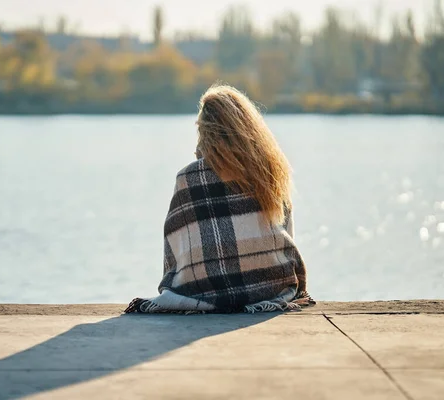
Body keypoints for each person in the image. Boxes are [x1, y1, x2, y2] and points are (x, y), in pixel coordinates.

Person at [126, 84, 314, 314]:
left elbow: (174, 252)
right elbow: (286, 232)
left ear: (204, 130)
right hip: (271, 289)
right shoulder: (270, 170)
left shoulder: (189, 177)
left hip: (205, 291)